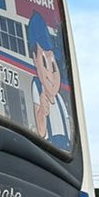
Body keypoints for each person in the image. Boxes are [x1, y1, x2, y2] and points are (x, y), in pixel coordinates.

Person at [28, 13, 72, 149]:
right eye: (44, 64)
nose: (51, 73)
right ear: (35, 59)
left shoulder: (58, 97)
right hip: (51, 145)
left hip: (64, 146)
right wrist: (42, 111)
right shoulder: (37, 87)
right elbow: (41, 130)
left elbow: (67, 122)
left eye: (53, 65)